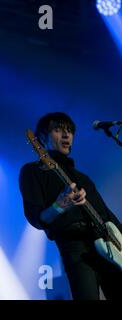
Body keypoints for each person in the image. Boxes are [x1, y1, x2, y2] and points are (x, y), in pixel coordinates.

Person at [19, 112, 122, 300]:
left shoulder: (83, 178)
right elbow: (36, 218)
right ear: (42, 138)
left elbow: (107, 215)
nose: (66, 135)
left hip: (108, 244)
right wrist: (60, 205)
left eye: (69, 131)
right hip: (75, 246)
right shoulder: (32, 171)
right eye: (58, 130)